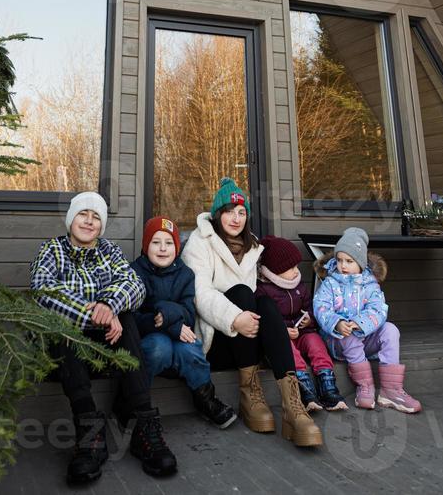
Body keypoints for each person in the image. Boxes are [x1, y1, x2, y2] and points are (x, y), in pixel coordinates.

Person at [30, 192, 177, 483]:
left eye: (96, 216)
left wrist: (110, 307)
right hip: (68, 345)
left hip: (107, 340)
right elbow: (44, 291)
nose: (89, 221)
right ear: (72, 218)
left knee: (127, 316)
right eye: (83, 214)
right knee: (61, 324)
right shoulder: (52, 250)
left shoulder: (109, 251)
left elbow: (134, 285)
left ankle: (144, 427)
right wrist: (94, 314)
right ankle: (90, 437)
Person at [179, 178, 322, 448]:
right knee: (244, 294)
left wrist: (278, 328)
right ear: (218, 213)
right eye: (230, 211)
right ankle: (249, 394)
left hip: (250, 337)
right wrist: (235, 318)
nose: (236, 218)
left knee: (265, 303)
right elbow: (199, 294)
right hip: (217, 340)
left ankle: (293, 407)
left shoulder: (253, 247)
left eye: (242, 212)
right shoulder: (200, 242)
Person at [129, 216, 238, 428]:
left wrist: (168, 315)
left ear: (177, 248)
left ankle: (205, 399)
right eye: (156, 242)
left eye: (169, 243)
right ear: (145, 246)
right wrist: (166, 322)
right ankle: (132, 400)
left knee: (192, 347)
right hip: (150, 340)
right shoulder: (135, 271)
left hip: (179, 339)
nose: (162, 249)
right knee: (160, 347)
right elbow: (133, 317)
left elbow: (188, 314)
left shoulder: (185, 274)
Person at [312, 226, 421, 414]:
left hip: (365, 336)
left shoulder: (370, 284)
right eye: (339, 260)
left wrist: (360, 323)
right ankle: (365, 385)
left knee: (390, 330)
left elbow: (378, 309)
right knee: (350, 336)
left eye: (349, 261)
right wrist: (337, 323)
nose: (343, 266)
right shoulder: (330, 283)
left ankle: (391, 390)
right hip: (339, 341)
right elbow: (321, 307)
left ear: (361, 263)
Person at [256, 235, 348, 412]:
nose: (296, 271)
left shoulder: (299, 285)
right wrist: (282, 330)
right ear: (275, 270)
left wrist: (309, 320)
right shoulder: (263, 290)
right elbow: (265, 320)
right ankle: (305, 391)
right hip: (284, 337)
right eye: (290, 267)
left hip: (304, 332)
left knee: (316, 344)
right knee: (291, 353)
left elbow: (311, 308)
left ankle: (328, 386)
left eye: (296, 266)